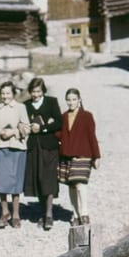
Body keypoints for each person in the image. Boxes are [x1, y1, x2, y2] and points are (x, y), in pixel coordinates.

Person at [0, 81, 30, 228]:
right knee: (0, 180)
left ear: (13, 94)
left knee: (15, 181)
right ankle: (5, 212)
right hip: (1, 147)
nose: (5, 96)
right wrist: (0, 133)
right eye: (3, 93)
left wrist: (14, 132)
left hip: (17, 148)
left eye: (8, 93)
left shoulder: (20, 107)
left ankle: (16, 214)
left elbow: (27, 127)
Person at [56, 88, 101, 225]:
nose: (71, 102)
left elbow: (92, 136)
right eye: (68, 100)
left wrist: (96, 156)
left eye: (74, 99)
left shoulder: (87, 116)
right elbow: (59, 133)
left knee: (80, 184)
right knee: (71, 186)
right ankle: (75, 214)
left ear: (79, 100)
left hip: (83, 154)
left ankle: (84, 213)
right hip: (66, 154)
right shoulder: (63, 117)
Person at [23, 76, 62, 230]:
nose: (36, 95)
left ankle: (49, 213)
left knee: (49, 178)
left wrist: (43, 128)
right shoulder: (26, 105)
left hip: (49, 146)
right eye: (33, 92)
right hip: (33, 147)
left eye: (38, 91)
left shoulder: (51, 102)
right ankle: (41, 212)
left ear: (43, 91)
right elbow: (22, 122)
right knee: (38, 179)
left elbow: (59, 122)